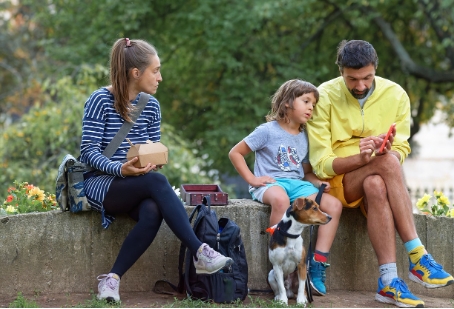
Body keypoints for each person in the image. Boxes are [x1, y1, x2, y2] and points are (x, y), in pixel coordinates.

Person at [79, 38, 233, 302]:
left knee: (152, 211)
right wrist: (121, 169)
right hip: (100, 182)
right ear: (135, 73)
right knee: (158, 183)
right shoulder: (99, 100)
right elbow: (88, 152)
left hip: (137, 182)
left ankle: (112, 280)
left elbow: (152, 146)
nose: (160, 77)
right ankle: (200, 251)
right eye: (156, 70)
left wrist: (152, 160)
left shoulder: (150, 106)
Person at [307, 39, 454, 308]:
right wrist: (361, 158)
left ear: (376, 68)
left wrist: (388, 151)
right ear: (341, 72)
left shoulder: (396, 94)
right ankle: (418, 256)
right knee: (385, 165)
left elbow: (402, 147)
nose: (360, 86)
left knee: (378, 179)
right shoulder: (324, 96)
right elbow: (320, 164)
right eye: (352, 79)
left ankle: (388, 282)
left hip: (376, 179)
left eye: (367, 77)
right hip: (336, 184)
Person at [229, 79, 342, 296]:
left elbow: (306, 172)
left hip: (297, 185)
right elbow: (235, 153)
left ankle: (317, 263)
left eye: (314, 104)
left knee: (333, 205)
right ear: (288, 102)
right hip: (271, 184)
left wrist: (318, 184)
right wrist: (253, 179)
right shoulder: (267, 131)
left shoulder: (306, 136)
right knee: (281, 200)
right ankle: (279, 267)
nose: (311, 107)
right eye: (306, 101)